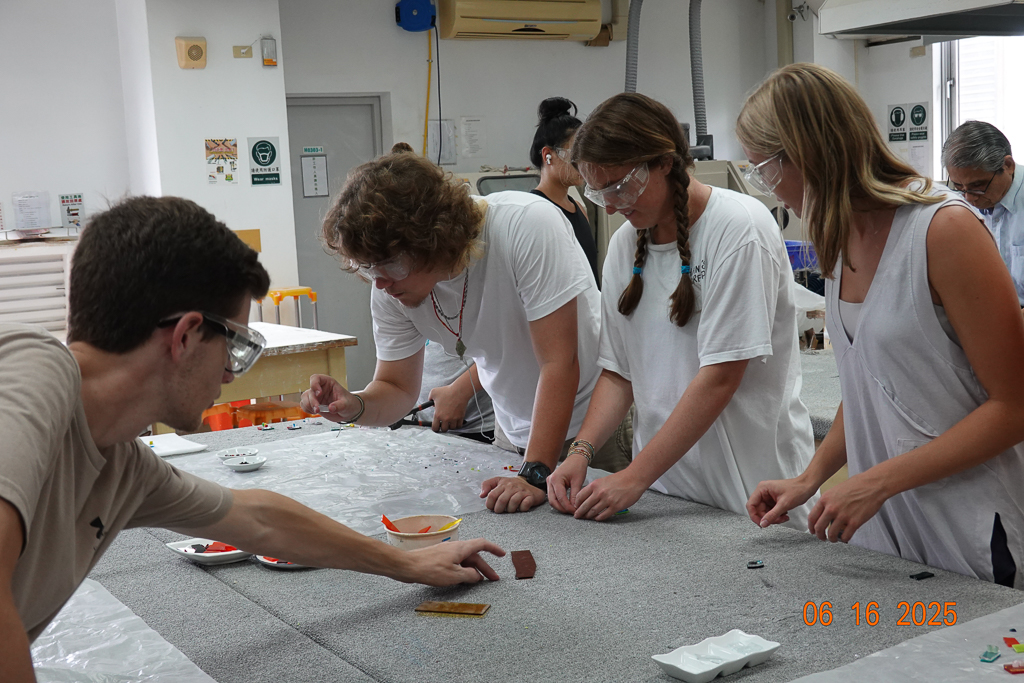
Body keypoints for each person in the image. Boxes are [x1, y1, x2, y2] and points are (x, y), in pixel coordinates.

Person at [0, 197, 504, 679]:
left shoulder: (119, 465)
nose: (229, 374)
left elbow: (259, 519)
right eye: (235, 346)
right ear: (186, 337)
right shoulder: (30, 371)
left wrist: (406, 563)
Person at [737, 63, 1024, 586]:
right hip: (885, 532)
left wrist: (878, 481)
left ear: (808, 152)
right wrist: (810, 478)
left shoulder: (944, 229)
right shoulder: (838, 236)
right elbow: (870, 383)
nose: (768, 189)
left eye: (765, 170)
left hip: (970, 528)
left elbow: (1014, 407)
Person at [300, 151, 629, 515]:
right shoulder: (389, 283)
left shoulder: (526, 225)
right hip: (516, 431)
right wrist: (354, 405)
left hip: (593, 424)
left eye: (390, 264)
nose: (379, 282)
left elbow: (559, 363)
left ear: (434, 236)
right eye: (367, 268)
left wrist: (534, 473)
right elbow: (396, 388)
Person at [546, 92, 816, 528]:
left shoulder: (739, 228)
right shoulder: (625, 245)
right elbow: (619, 373)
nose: (610, 205)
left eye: (619, 187)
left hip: (751, 495)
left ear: (665, 163)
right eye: (598, 193)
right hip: (666, 493)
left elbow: (721, 376)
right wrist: (581, 452)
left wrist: (634, 476)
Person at [942, 121, 1024, 306]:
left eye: (978, 186)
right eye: (959, 186)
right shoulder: (957, 205)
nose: (969, 198)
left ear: (1008, 165)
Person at [529, 97, 600, 285]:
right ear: (548, 156)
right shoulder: (536, 212)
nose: (583, 164)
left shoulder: (579, 208)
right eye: (575, 154)